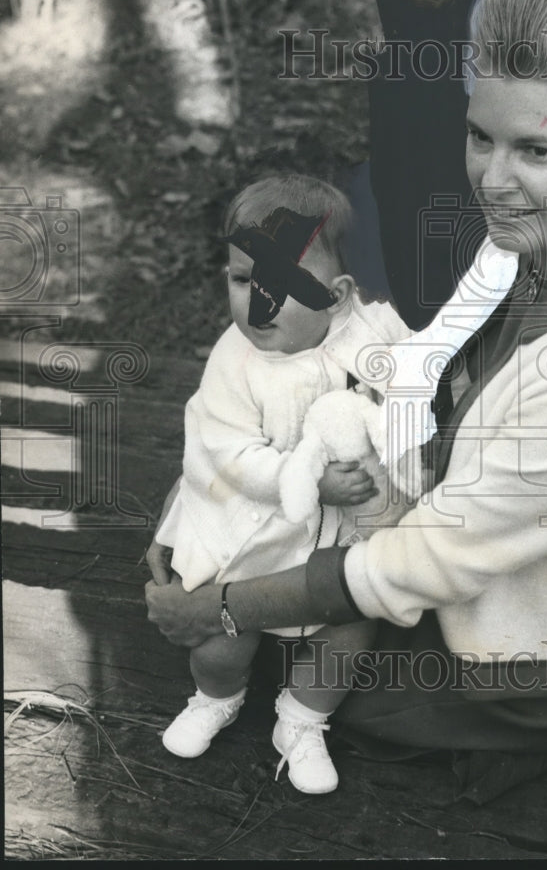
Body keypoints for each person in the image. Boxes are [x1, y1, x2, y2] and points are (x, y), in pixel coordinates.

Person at [146, 0, 547, 780]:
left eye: (538, 151)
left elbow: (424, 562)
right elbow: (411, 372)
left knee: (291, 663)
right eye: (480, 136)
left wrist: (220, 601)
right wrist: (199, 509)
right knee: (264, 594)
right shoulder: (542, 244)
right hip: (479, 542)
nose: (494, 180)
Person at [146, 173, 409, 794]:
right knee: (219, 641)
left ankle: (302, 720)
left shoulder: (371, 335)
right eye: (243, 280)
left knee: (349, 631)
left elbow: (409, 373)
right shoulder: (234, 364)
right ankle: (217, 695)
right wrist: (309, 483)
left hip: (334, 534)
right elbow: (229, 453)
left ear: (337, 294)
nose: (256, 303)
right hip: (252, 524)